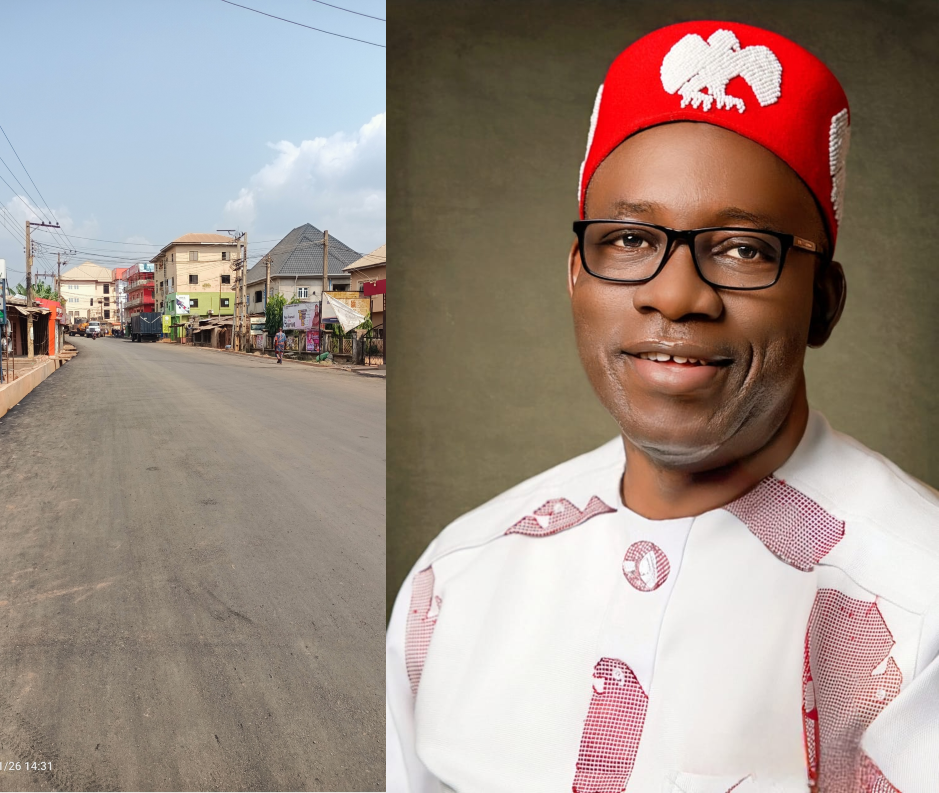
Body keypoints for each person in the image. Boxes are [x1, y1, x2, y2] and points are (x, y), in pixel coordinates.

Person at [386, 21, 939, 793]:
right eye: (629, 239)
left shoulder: (920, 605)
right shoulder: (455, 579)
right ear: (576, 276)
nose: (675, 294)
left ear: (824, 303)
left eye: (744, 248)